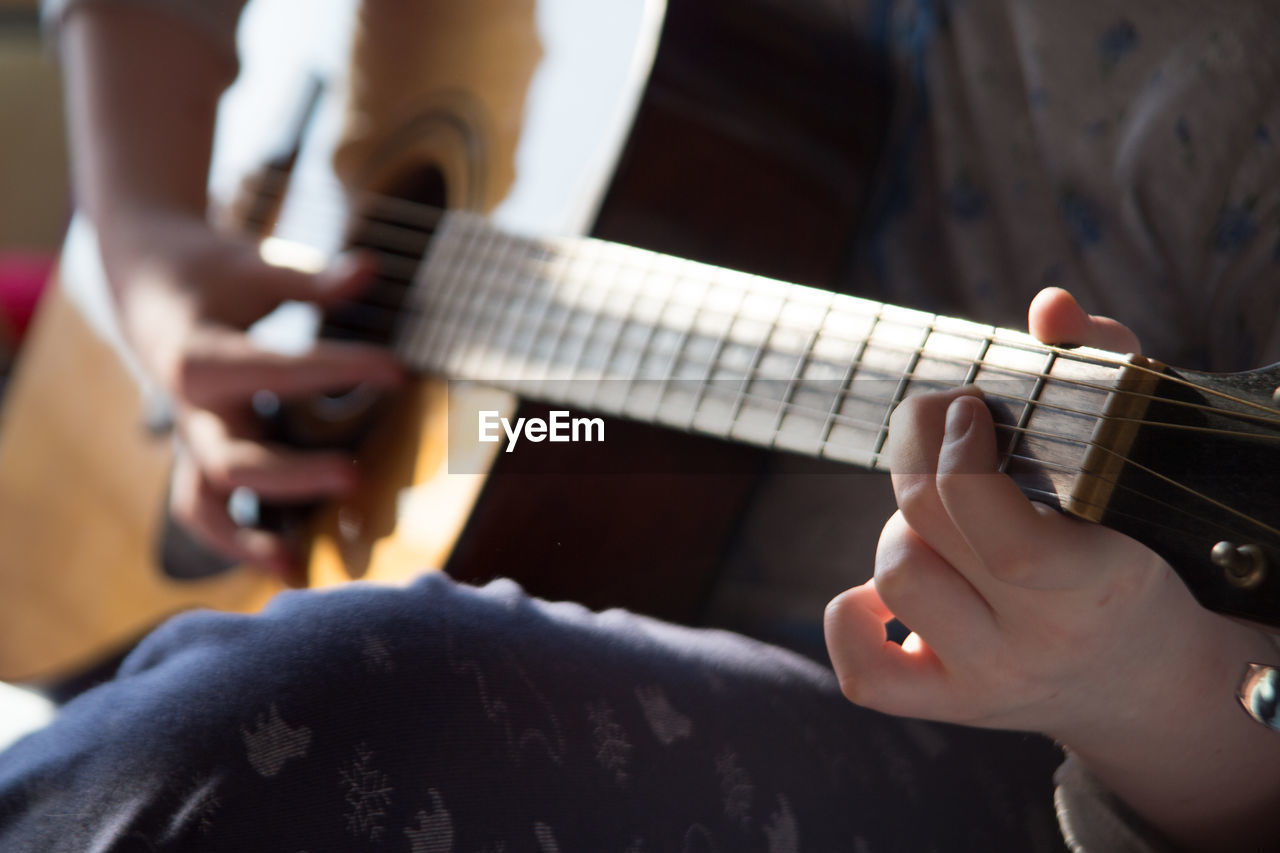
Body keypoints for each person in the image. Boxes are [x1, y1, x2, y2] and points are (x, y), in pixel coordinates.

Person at [2, 0, 1278, 850]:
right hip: (517, 453)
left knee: (285, 719)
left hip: (937, 712)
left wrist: (1134, 683)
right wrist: (146, 236)